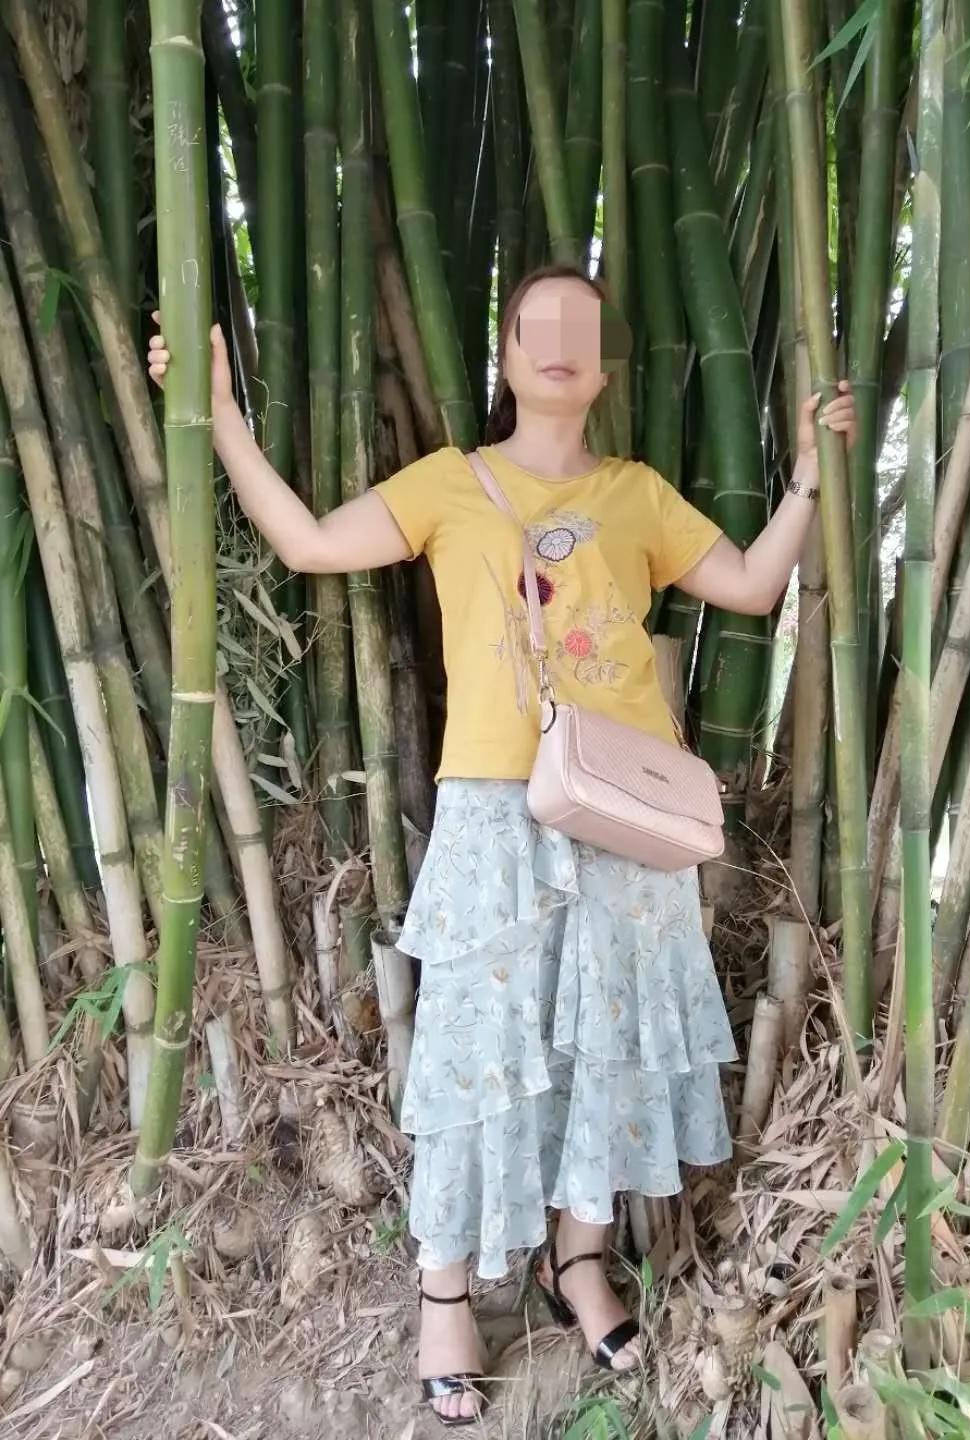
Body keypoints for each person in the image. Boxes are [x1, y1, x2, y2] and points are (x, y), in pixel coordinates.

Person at [149, 265, 856, 1427]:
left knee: (609, 1042)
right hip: (495, 803)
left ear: (606, 364)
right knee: (479, 1048)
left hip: (626, 807)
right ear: (508, 355)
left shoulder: (636, 493)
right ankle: (445, 1295)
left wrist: (811, 481)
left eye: (583, 327)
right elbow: (310, 545)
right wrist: (221, 415)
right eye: (537, 325)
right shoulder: (450, 483)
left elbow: (749, 584)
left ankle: (579, 1262)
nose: (561, 341)